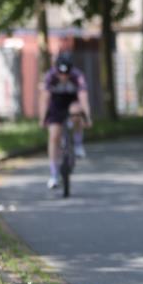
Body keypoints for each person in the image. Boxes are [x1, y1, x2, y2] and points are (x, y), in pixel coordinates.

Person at [39, 51, 92, 189]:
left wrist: (87, 117)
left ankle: (78, 143)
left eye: (66, 73)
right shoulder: (50, 76)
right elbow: (44, 99)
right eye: (60, 73)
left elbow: (83, 98)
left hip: (72, 101)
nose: (63, 76)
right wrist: (42, 118)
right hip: (56, 103)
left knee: (76, 111)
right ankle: (54, 174)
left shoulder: (77, 76)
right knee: (54, 136)